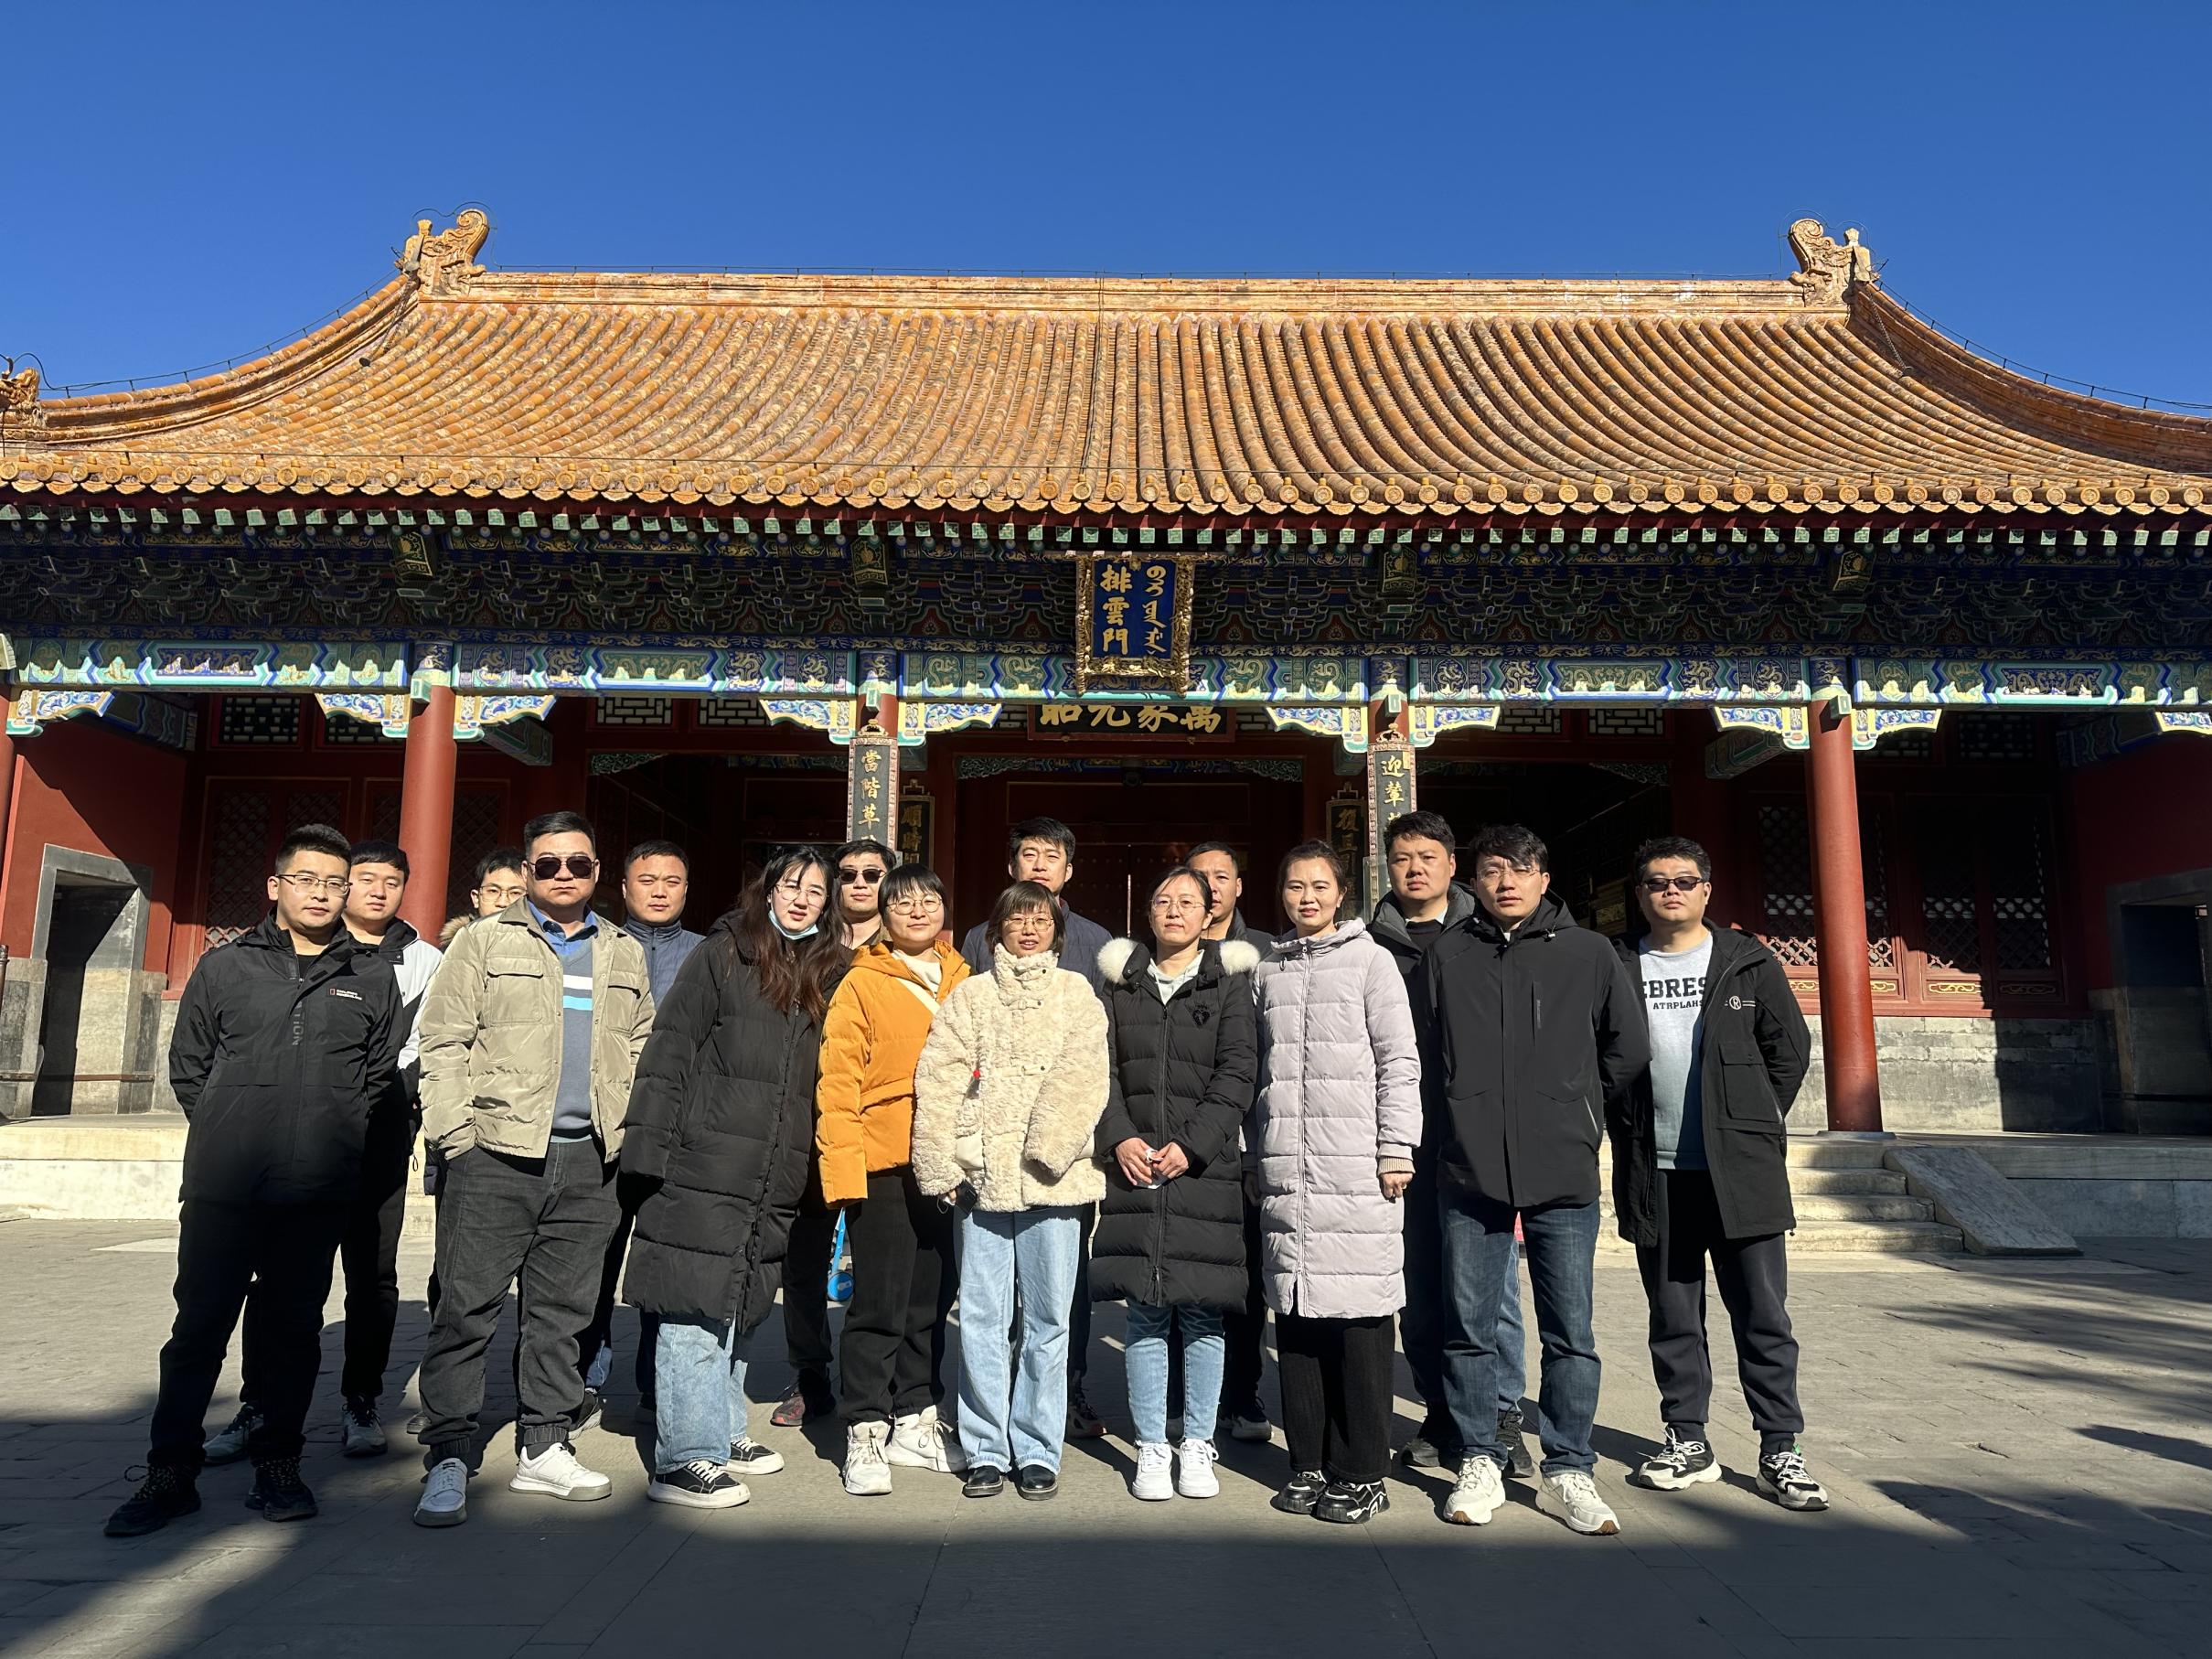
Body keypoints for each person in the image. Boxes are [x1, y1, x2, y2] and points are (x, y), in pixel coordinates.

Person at [106, 824, 402, 1537]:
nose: (321, 894)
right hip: (225, 1188)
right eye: (306, 879)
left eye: (334, 883)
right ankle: (169, 1473)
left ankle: (278, 1464)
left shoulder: (370, 976)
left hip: (315, 1192)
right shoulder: (225, 968)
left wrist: (326, 1134)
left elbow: (374, 1076)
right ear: (276, 885)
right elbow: (189, 1068)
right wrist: (231, 1127)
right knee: (197, 1332)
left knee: (293, 1334)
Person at [410, 811, 656, 1527]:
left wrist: (627, 1131)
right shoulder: (484, 941)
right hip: (495, 1154)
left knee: (563, 1315)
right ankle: (449, 1452)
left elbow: (641, 1044)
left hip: (590, 1161)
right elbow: (443, 1039)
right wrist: (455, 1136)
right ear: (526, 871)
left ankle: (544, 1445)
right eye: (548, 864)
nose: (563, 875)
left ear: (596, 871)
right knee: (465, 1310)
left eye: (578, 863)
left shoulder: (621, 950)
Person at [1433, 824, 1647, 1536]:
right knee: (1469, 1328)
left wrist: (1573, 1105)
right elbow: (1424, 1052)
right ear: (1473, 879)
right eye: (1493, 870)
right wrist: (1455, 1115)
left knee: (1570, 1330)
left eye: (1521, 869)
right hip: (1469, 1165)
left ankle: (1568, 1467)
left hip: (1561, 1164)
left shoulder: (1588, 953)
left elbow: (1626, 1046)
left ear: (1544, 879)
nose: (1506, 882)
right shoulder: (1448, 953)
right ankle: (1480, 1456)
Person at [620, 848, 847, 1509]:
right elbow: (670, 1049)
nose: (801, 899)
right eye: (791, 886)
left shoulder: (826, 968)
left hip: (776, 1165)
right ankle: (682, 1458)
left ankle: (719, 1429)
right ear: (767, 890)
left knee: (744, 1299)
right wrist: (649, 1146)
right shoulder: (723, 954)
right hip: (706, 1157)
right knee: (693, 1304)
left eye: (815, 891)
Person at [1612, 837, 1825, 1512]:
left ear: (1706, 889)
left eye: (1683, 880)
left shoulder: (1746, 961)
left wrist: (1747, 1122)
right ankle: (1687, 1439)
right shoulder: (1617, 963)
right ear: (1640, 893)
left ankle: (1779, 1448)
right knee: (1673, 1316)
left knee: (1762, 1314)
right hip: (1655, 1171)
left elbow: (1788, 1053)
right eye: (1656, 882)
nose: (1670, 891)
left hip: (1741, 1174)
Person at [914, 883, 1109, 1502]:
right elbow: (938, 1078)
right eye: (1017, 919)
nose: (1028, 929)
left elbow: (1085, 1076)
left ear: (1057, 930)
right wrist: (941, 1162)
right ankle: (984, 1449)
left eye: (1040, 920)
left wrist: (1048, 1146)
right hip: (981, 1179)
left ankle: (1037, 1447)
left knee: (1048, 1320)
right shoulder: (970, 995)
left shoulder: (1076, 993)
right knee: (981, 1317)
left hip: (1055, 1180)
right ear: (996, 928)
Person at [1249, 840, 1422, 1525]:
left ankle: (1362, 1469)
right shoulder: (1268, 970)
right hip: (1287, 1168)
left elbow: (1398, 1059)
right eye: (1295, 887)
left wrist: (1395, 1147)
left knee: (1358, 1324)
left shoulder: (1371, 961)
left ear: (1341, 893)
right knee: (1295, 1321)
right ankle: (1309, 1461)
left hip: (1355, 1169)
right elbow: (1256, 1071)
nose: (1307, 898)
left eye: (1319, 886)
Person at [1367, 811, 1533, 1477]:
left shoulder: (1488, 935)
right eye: (1401, 858)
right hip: (1404, 1137)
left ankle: (1501, 1416)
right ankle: (1440, 1411)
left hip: (1479, 1136)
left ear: (1451, 864)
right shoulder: (1368, 943)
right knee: (1420, 1284)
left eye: (1427, 857)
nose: (1414, 869)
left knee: (1491, 1289)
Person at [1093, 866, 1259, 1501]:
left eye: (1187, 901)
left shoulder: (1228, 982)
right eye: (1163, 900)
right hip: (1135, 1165)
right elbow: (1101, 1070)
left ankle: (1196, 1442)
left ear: (1208, 913)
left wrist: (1191, 1147)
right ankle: (1151, 1446)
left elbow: (1237, 1073)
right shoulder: (1120, 983)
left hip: (1203, 1171)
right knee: (1144, 1312)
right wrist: (1120, 1138)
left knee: (1202, 1313)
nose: (1173, 910)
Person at [817, 863, 972, 1495]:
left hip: (947, 1160)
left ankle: (915, 1413)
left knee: (931, 1298)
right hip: (882, 1157)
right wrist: (842, 1167)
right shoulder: (862, 981)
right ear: (882, 915)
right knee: (878, 1300)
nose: (917, 911)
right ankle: (864, 1425)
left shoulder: (965, 979)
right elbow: (838, 1078)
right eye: (902, 902)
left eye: (928, 900)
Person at [958, 817, 1114, 1437]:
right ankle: (991, 1415)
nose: (1040, 865)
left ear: (1068, 871)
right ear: (1011, 866)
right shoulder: (980, 937)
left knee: (1061, 1287)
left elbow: (1098, 1050)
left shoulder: (1096, 940)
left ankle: (1067, 1392)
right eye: (1030, 855)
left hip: (1062, 1145)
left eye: (1052, 857)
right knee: (988, 1294)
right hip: (993, 1142)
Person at [575, 840, 706, 1419]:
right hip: (601, 1130)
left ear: (686, 890)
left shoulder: (708, 955)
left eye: (671, 881)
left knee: (662, 1264)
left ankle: (656, 1385)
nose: (659, 891)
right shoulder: (595, 946)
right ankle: (582, 1379)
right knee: (593, 1262)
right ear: (623, 888)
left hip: (676, 1133)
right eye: (647, 880)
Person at [772, 835, 894, 1430]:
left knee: (879, 1263)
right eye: (847, 874)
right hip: (809, 1120)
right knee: (803, 1260)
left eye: (873, 874)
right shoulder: (806, 948)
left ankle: (874, 1381)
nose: (860, 884)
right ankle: (810, 1374)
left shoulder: (905, 950)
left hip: (878, 1127)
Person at [1186, 842, 1274, 1445]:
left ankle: (1243, 1391)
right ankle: (1185, 1395)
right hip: (1186, 1136)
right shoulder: (1165, 952)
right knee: (1187, 1270)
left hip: (1248, 1135)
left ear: (1239, 886)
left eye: (1222, 876)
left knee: (1245, 1274)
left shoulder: (1265, 952)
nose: (1212, 887)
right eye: (1200, 877)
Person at [441, 846, 528, 947]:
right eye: (493, 891)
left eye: (515, 893)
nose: (502, 903)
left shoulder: (541, 949)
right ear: (476, 898)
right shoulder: (454, 950)